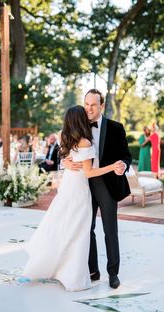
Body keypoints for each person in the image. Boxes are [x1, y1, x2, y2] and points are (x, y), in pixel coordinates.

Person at [23, 106, 122, 291]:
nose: (88, 113)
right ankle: (73, 274)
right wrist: (112, 166)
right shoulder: (84, 141)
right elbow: (90, 172)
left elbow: (64, 155)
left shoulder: (63, 135)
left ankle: (59, 266)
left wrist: (64, 161)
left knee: (64, 225)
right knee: (80, 231)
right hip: (79, 189)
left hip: (67, 186)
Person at [63, 89, 132, 289]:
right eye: (86, 104)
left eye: (93, 104)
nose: (89, 108)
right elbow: (66, 151)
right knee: (86, 228)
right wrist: (65, 162)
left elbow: (126, 155)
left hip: (107, 183)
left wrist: (122, 166)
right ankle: (93, 270)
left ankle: (113, 273)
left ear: (101, 105)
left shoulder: (115, 127)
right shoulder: (78, 125)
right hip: (83, 185)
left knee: (110, 229)